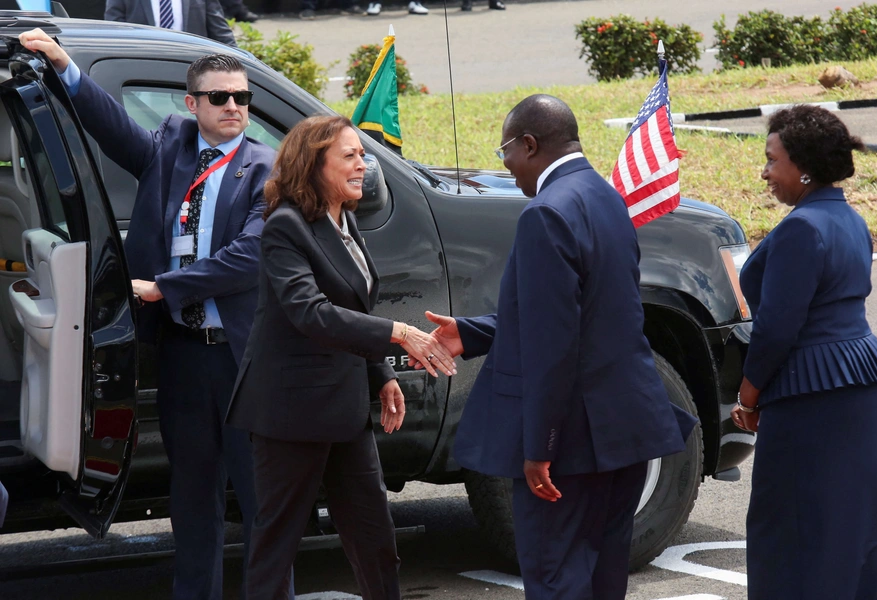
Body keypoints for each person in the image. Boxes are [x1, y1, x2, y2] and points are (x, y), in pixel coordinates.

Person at [18, 29, 274, 600]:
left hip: (242, 357)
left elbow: (250, 257)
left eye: (242, 97)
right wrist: (63, 64)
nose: (234, 107)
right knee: (192, 496)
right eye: (219, 98)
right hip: (185, 356)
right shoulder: (170, 150)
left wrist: (164, 287)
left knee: (261, 497)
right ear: (192, 104)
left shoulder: (266, 168)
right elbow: (112, 128)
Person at [415, 95, 697, 600]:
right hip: (628, 424)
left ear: (529, 144)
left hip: (572, 442)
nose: (507, 167)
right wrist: (475, 332)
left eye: (507, 152)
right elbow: (587, 314)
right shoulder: (606, 196)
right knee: (603, 577)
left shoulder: (545, 213)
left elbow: (554, 344)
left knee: (555, 577)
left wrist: (539, 447)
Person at [225, 115, 456, 600]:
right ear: (314, 165)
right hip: (289, 411)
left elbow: (351, 304)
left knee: (374, 537)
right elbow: (310, 313)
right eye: (349, 156)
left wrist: (379, 376)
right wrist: (398, 333)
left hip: (344, 407)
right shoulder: (284, 227)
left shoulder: (343, 216)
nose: (363, 166)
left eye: (362, 154)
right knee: (277, 545)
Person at [730, 105, 877, 599]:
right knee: (849, 523)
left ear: (803, 167)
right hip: (861, 382)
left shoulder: (802, 228)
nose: (764, 172)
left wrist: (748, 394)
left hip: (811, 393)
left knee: (794, 526)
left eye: (771, 160)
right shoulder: (850, 219)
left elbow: (778, 329)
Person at [104, 0, 238, 47]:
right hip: (141, 74)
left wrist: (240, 64)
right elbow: (114, 30)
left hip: (191, 73)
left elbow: (221, 33)